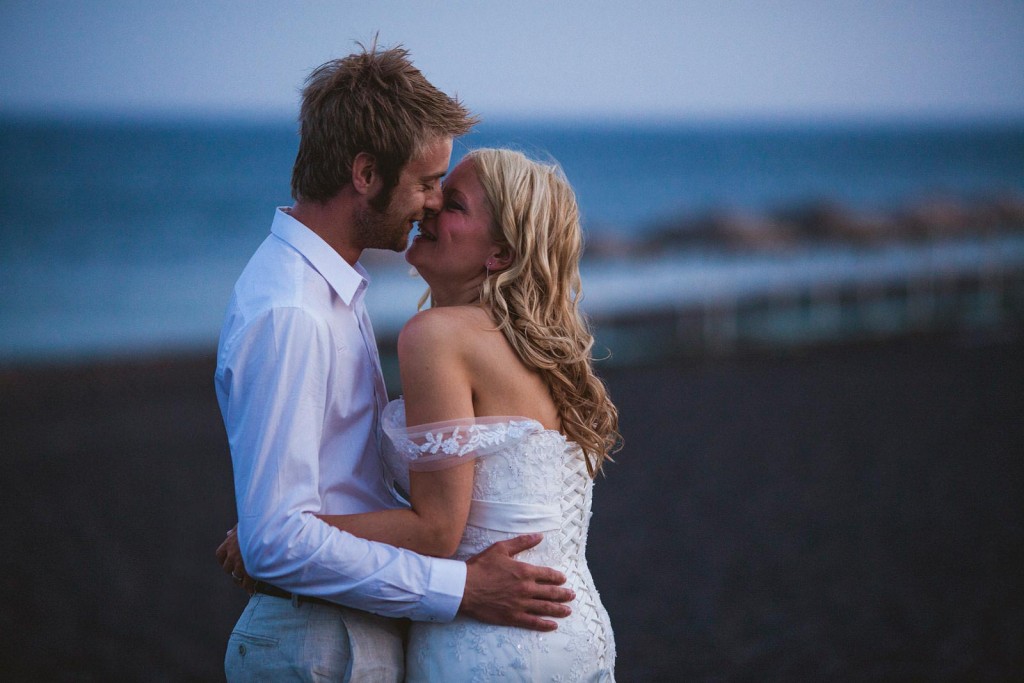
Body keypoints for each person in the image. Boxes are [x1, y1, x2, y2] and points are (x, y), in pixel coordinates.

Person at [214, 45, 574, 682]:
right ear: (364, 173)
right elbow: (277, 540)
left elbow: (324, 490)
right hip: (318, 643)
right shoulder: (292, 312)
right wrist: (459, 589)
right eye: (427, 182)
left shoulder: (335, 291)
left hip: (348, 632)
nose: (432, 203)